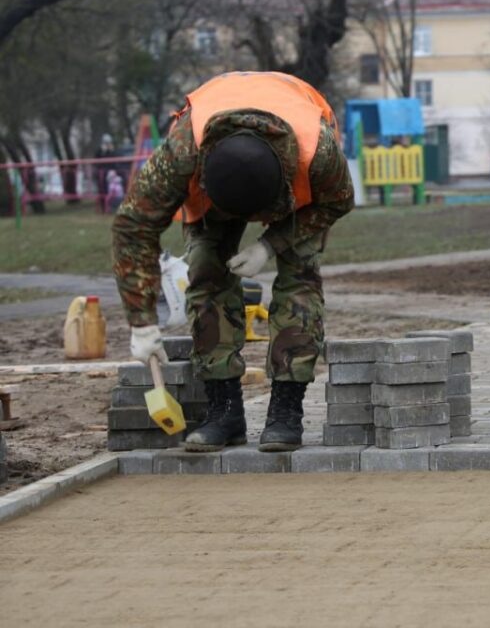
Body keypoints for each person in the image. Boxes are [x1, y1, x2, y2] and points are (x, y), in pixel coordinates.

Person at [112, 71, 354, 452]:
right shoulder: (182, 152)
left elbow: (339, 200)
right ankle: (224, 410)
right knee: (207, 269)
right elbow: (133, 225)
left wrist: (270, 244)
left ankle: (285, 411)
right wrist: (141, 322)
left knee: (300, 279)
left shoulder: (317, 151)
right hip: (215, 189)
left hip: (295, 193)